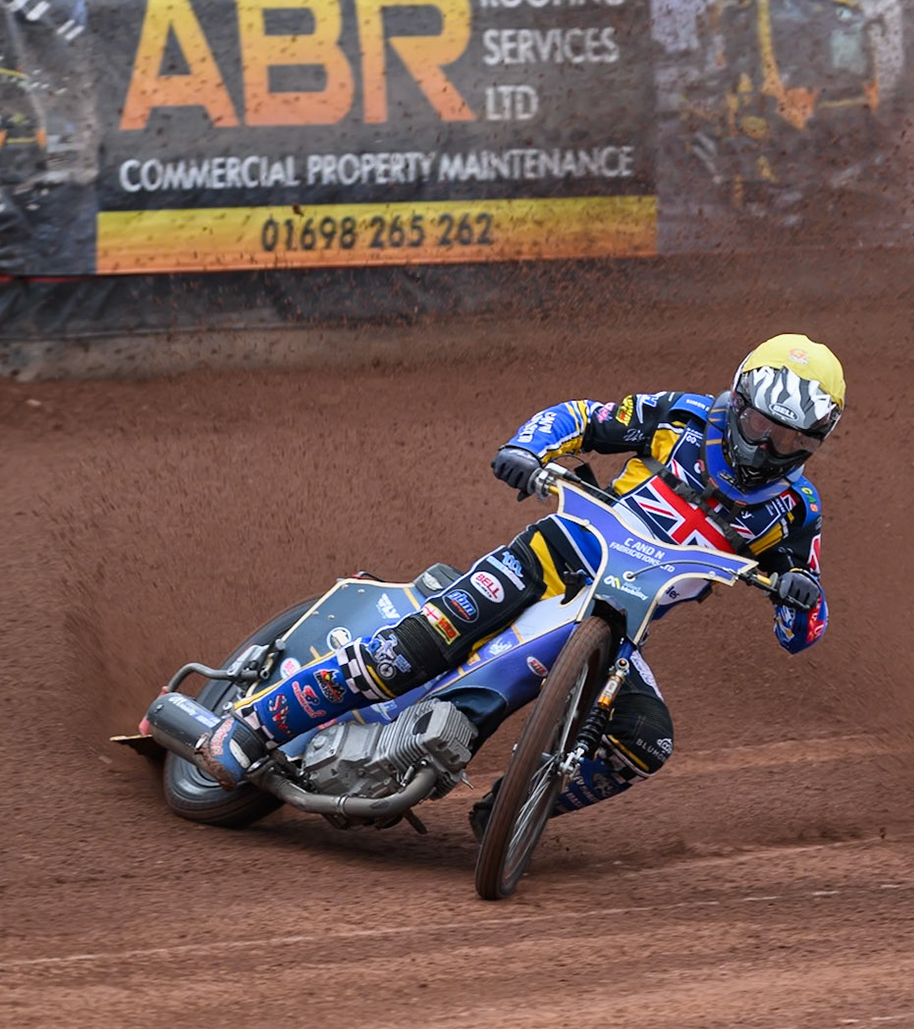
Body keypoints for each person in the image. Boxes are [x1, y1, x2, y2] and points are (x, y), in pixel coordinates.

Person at [194, 335, 844, 836]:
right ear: (739, 401)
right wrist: (528, 451)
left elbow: (805, 620)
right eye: (762, 424)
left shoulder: (794, 512)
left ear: (814, 441)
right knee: (414, 651)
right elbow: (583, 418)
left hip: (622, 622)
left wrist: (798, 600)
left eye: (789, 436)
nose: (768, 445)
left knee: (646, 742)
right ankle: (255, 725)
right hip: (552, 556)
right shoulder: (682, 417)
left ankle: (512, 807)